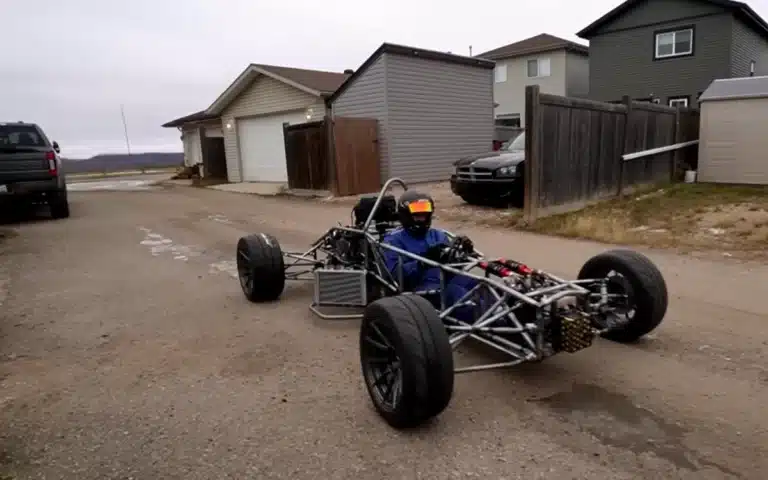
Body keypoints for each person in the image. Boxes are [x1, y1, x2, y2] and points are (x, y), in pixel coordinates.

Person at [381, 190, 480, 320]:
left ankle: (510, 309)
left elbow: (455, 264)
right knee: (461, 296)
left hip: (447, 277)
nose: (422, 218)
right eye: (418, 216)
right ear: (406, 215)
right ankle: (498, 321)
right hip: (422, 286)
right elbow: (393, 275)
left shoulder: (438, 235)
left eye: (424, 214)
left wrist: (464, 252)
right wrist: (422, 262)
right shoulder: (393, 240)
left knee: (481, 285)